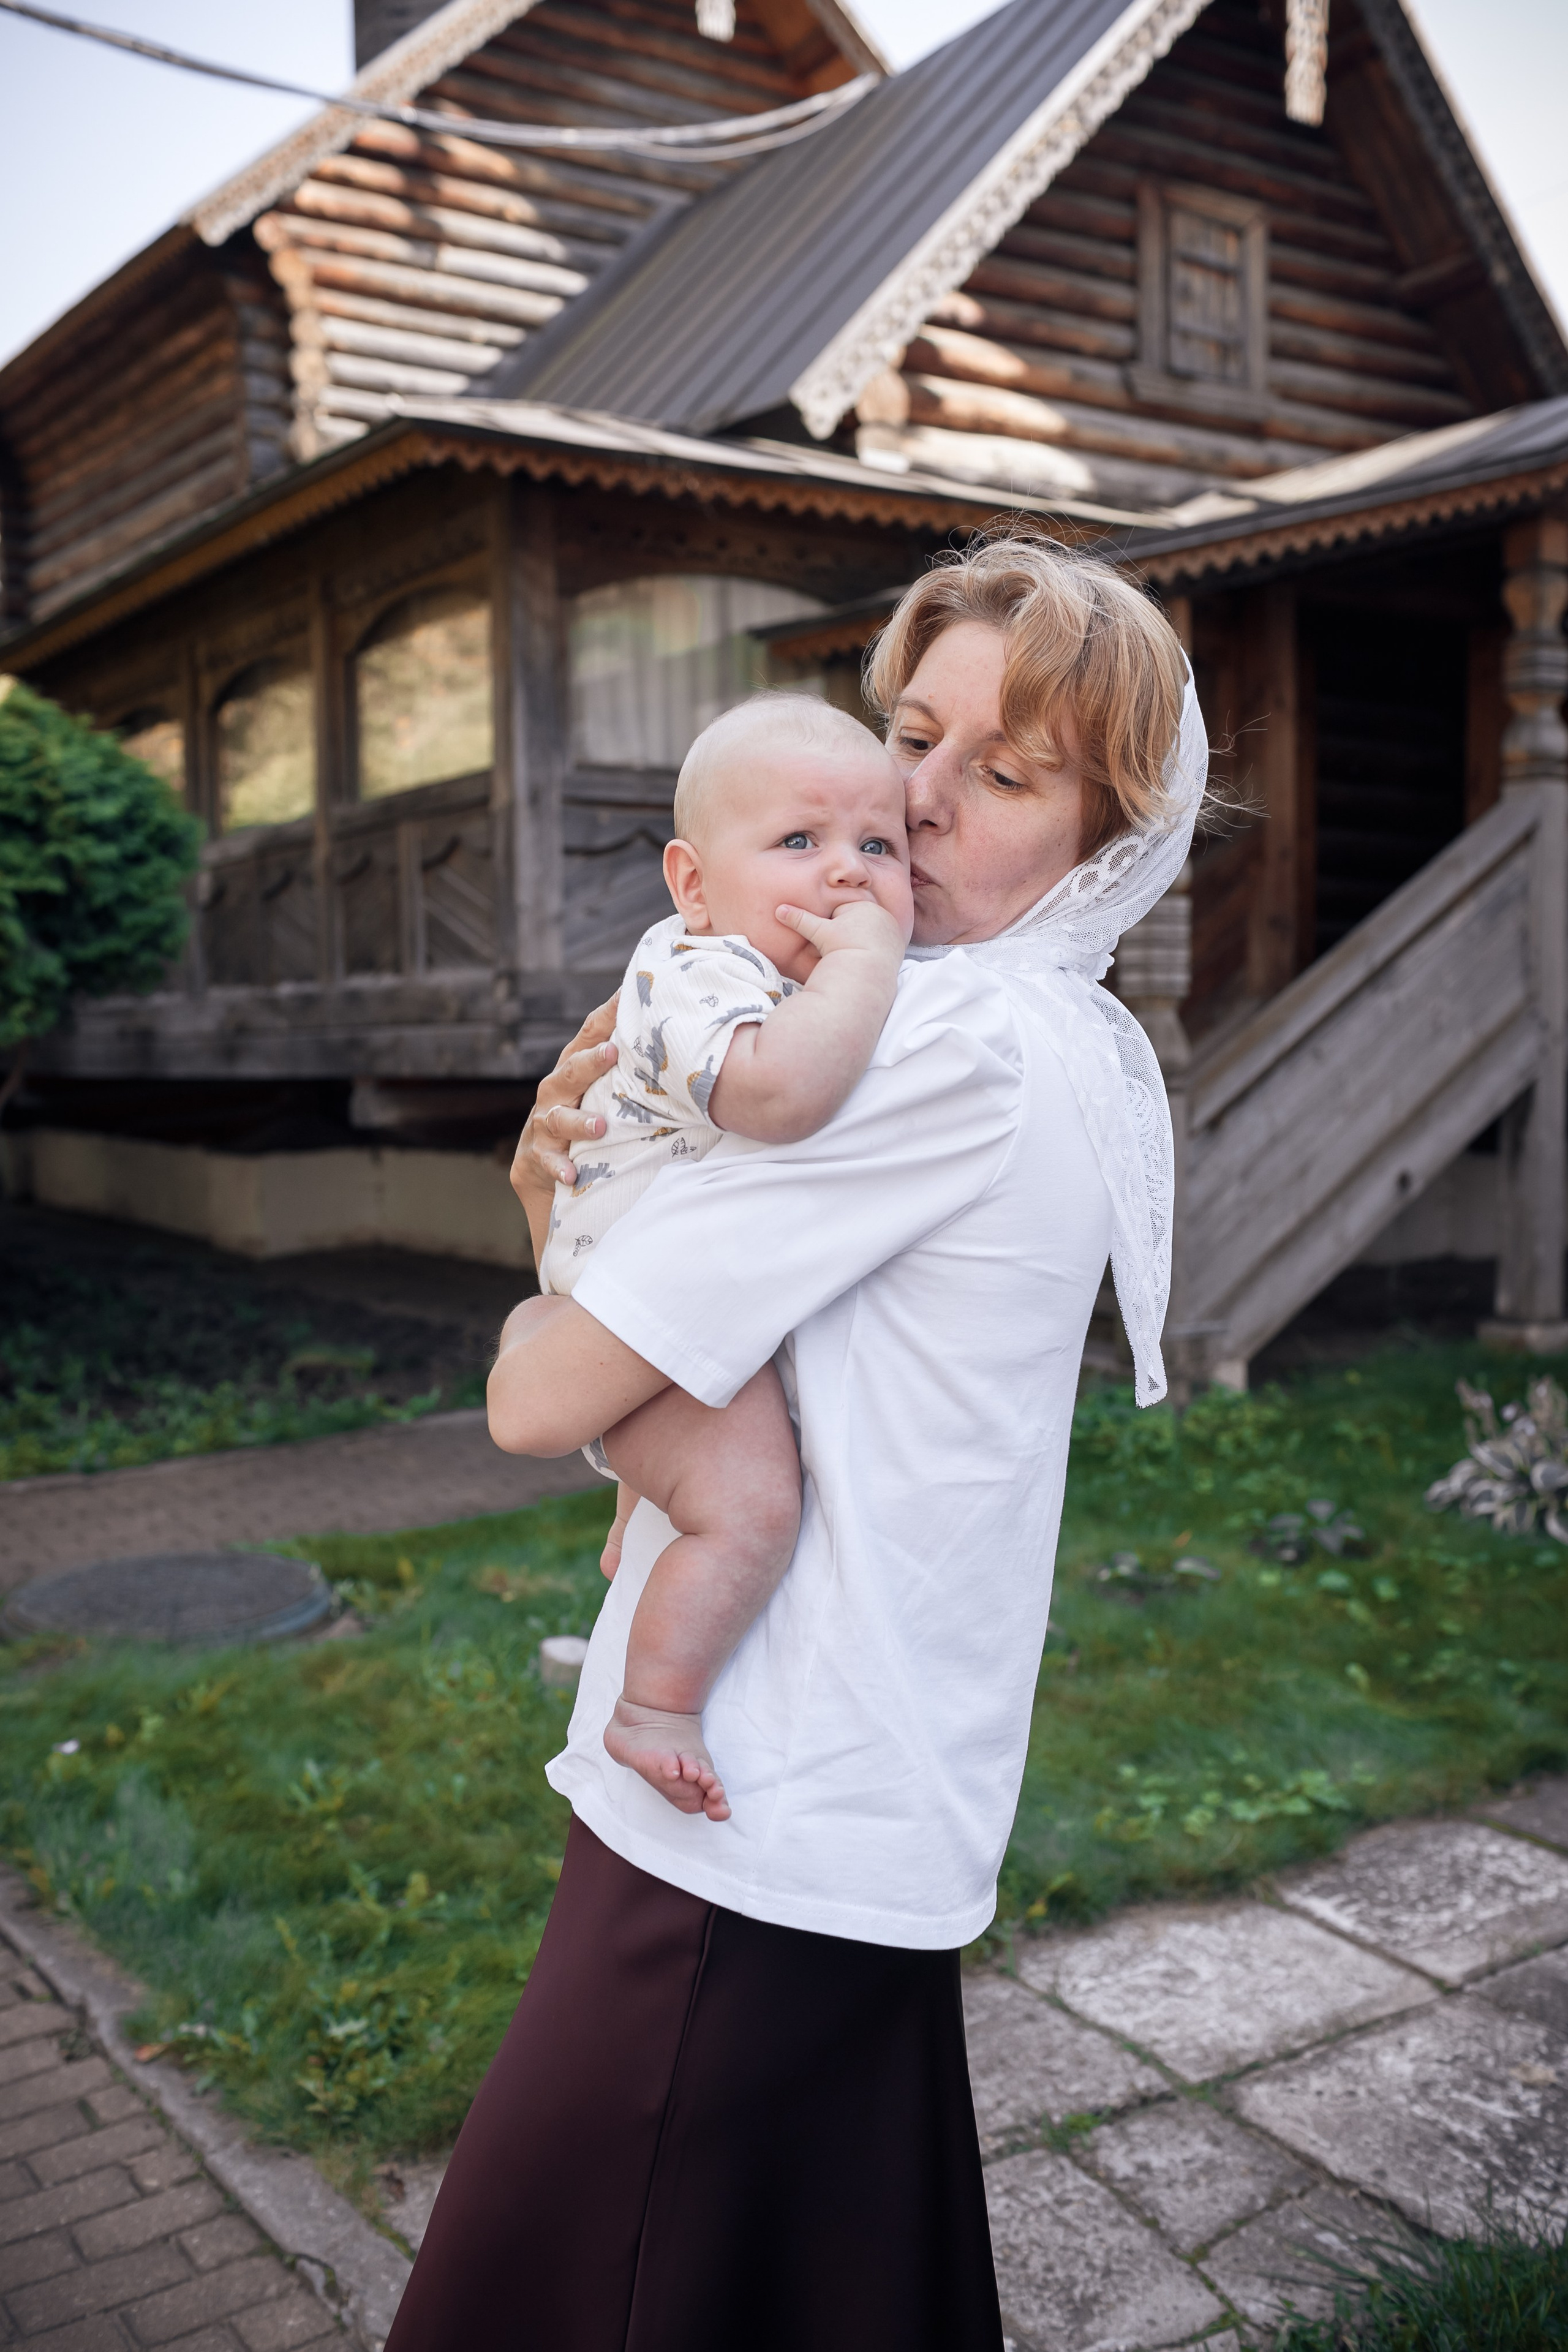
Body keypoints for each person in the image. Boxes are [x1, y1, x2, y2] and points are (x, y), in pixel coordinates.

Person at [383, 531, 1205, 2352]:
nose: (914, 805)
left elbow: (540, 1401)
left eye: (1003, 774)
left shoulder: (938, 1043)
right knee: (834, 2282)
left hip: (750, 1794)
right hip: (870, 1774)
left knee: (562, 2286)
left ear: (1110, 830)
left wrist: (542, 1215)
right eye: (909, 737)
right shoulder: (1054, 1034)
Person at [522, 693, 913, 1822]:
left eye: (879, 846)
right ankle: (654, 1708)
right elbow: (779, 1097)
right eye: (799, 840)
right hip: (626, 1305)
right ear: (693, 886)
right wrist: (867, 969)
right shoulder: (697, 975)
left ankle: (633, 1515)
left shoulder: (774, 973)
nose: (846, 873)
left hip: (662, 1286)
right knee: (751, 1512)